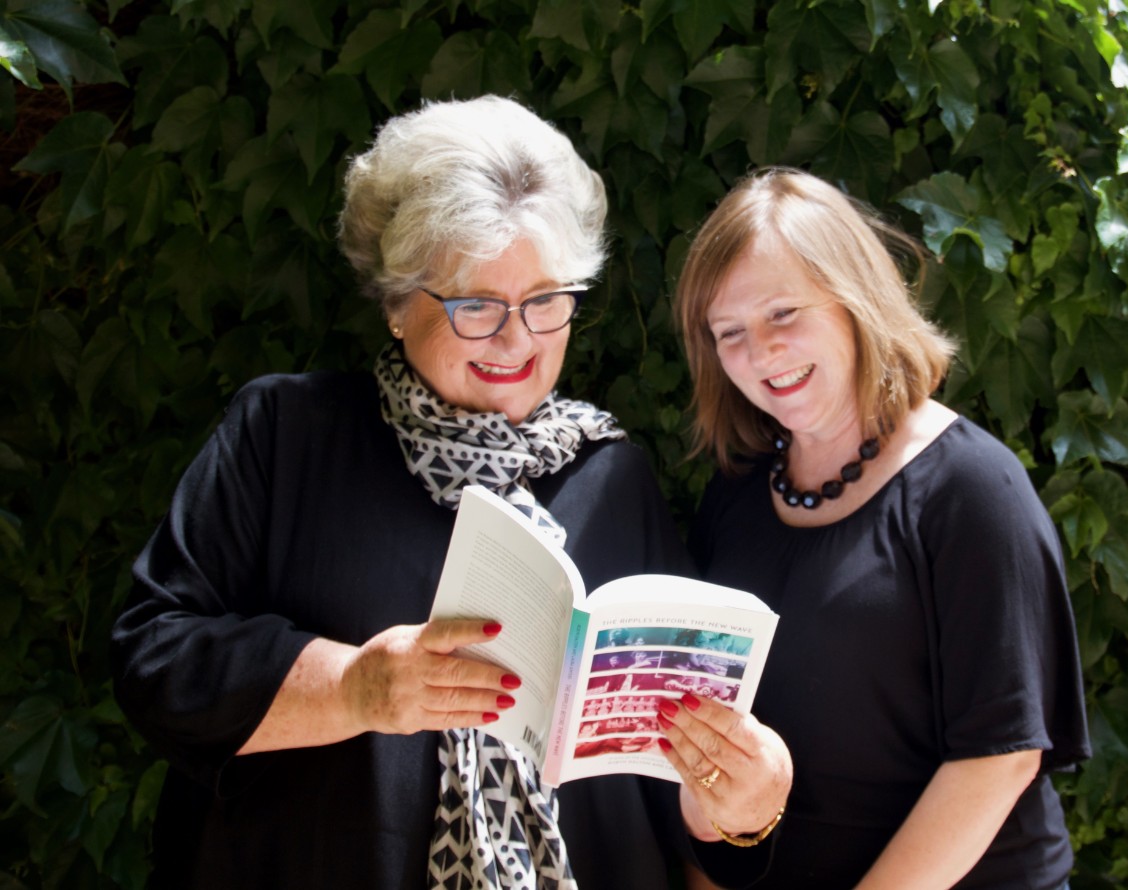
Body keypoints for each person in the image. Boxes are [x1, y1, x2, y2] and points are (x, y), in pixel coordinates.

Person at [110, 96, 790, 890]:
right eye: (476, 305)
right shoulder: (287, 433)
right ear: (399, 304)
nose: (517, 338)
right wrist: (356, 688)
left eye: (545, 300)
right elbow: (152, 657)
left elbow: (662, 791)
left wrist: (743, 806)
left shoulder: (614, 476)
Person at [673, 168, 1090, 889]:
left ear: (853, 298)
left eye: (782, 313)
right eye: (729, 333)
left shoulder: (973, 491)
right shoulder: (735, 496)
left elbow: (999, 760)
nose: (762, 352)